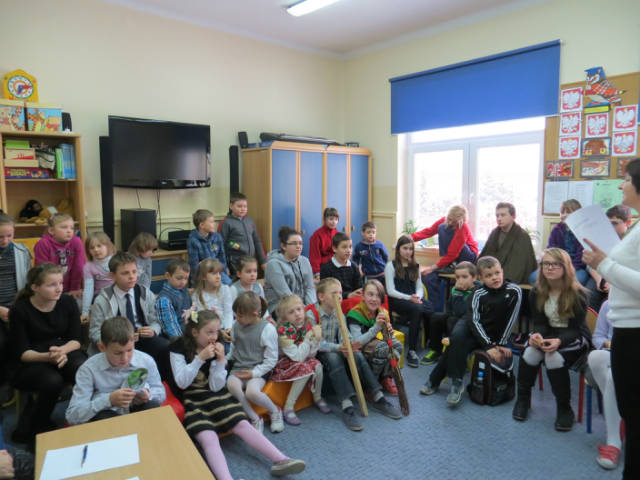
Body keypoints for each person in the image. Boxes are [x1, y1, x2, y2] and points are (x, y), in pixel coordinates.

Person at [169, 310, 306, 479]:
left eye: (216, 332)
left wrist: (220, 362)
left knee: (242, 423)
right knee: (208, 437)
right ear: (195, 332)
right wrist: (200, 359)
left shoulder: (216, 344)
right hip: (193, 399)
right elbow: (181, 382)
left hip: (216, 394)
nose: (214, 337)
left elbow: (215, 386)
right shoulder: (178, 347)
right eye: (209, 332)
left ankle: (281, 459)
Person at [582, 158, 640, 479]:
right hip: (627, 329)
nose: (621, 185)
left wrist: (603, 264)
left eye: (626, 179)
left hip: (634, 331)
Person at [420, 256, 521, 407]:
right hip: (472, 326)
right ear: (481, 278)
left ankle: (434, 380)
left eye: (497, 273)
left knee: (455, 345)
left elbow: (511, 319)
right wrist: (488, 345)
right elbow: (474, 321)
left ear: (502, 271)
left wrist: (500, 343)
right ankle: (457, 382)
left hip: (490, 334)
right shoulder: (478, 293)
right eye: (488, 275)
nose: (495, 278)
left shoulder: (514, 291)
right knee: (457, 338)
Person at [512, 248, 591, 431]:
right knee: (530, 352)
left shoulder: (579, 294)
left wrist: (559, 341)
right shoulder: (537, 291)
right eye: (546, 264)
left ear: (565, 267)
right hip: (550, 333)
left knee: (553, 357)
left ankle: (564, 409)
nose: (549, 268)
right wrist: (536, 335)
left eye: (555, 264)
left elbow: (575, 329)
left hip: (575, 336)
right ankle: (522, 400)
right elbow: (540, 323)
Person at [310, 278, 402, 431]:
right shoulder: (312, 314)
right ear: (321, 296)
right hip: (319, 352)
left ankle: (377, 395)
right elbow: (316, 344)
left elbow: (346, 336)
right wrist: (339, 347)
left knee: (357, 354)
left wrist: (348, 346)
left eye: (340, 293)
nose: (339, 297)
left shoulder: (339, 313)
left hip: (338, 347)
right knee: (333, 358)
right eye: (334, 293)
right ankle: (347, 406)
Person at [9, 263, 86, 444]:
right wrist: (47, 357)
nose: (59, 288)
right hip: (33, 358)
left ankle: (84, 417)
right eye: (52, 285)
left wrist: (62, 351)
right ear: (35, 287)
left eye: (60, 283)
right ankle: (38, 426)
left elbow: (76, 340)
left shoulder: (67, 302)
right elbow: (22, 353)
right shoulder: (20, 309)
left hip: (63, 350)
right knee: (52, 381)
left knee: (82, 369)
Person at [66, 316, 164, 424]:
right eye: (118, 353)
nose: (125, 358)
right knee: (102, 417)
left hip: (137, 409)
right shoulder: (88, 369)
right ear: (102, 347)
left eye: (129, 350)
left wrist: (148, 395)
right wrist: (108, 400)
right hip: (108, 417)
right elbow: (72, 416)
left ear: (134, 341)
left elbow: (160, 392)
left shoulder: (146, 361)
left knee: (152, 406)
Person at [88, 252, 169, 374]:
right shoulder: (103, 299)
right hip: (116, 343)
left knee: (164, 347)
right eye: (125, 273)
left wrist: (153, 330)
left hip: (142, 338)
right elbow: (95, 331)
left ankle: (159, 381)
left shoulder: (145, 293)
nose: (131, 276)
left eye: (134, 272)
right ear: (112, 276)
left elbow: (157, 320)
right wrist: (111, 340)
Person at [226, 292, 283, 434]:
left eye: (240, 316)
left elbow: (271, 360)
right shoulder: (236, 325)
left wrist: (253, 373)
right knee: (231, 385)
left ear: (255, 314)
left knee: (252, 393)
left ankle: (275, 411)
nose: (236, 318)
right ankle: (255, 418)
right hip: (239, 367)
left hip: (259, 369)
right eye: (236, 315)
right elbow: (233, 348)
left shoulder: (267, 329)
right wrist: (224, 359)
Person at [271, 294, 329, 425]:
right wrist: (308, 339)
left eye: (299, 309)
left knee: (317, 365)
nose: (297, 314)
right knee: (304, 368)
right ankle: (288, 407)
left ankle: (317, 397)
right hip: (284, 363)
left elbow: (311, 355)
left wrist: (316, 340)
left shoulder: (307, 324)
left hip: (301, 357)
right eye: (291, 312)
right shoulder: (284, 331)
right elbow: (297, 357)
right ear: (284, 317)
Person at [412, 205, 478, 311]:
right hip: (452, 257)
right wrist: (411, 238)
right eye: (449, 219)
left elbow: (452, 254)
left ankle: (452, 264)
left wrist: (433, 267)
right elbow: (429, 231)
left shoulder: (463, 227)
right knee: (442, 226)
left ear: (461, 221)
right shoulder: (445, 220)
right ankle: (434, 310)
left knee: (443, 228)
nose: (451, 223)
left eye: (454, 222)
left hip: (469, 257)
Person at [384, 235, 433, 368]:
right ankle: (412, 350)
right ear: (398, 249)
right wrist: (409, 298)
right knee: (418, 309)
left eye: (411, 249)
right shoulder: (391, 265)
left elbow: (419, 287)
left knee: (430, 307)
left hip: (413, 299)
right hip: (398, 300)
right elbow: (390, 291)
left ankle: (430, 341)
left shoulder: (415, 265)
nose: (408, 251)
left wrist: (417, 297)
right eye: (405, 248)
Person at [346, 279, 402, 395]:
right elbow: (357, 342)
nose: (374, 299)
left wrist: (390, 334)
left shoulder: (382, 312)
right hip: (359, 350)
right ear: (363, 296)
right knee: (382, 348)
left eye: (378, 296)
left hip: (374, 345)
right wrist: (377, 327)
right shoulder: (354, 314)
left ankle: (385, 378)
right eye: (370, 294)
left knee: (397, 346)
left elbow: (390, 340)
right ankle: (371, 384)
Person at [420, 261, 479, 366]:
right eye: (457, 277)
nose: (460, 280)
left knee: (453, 320)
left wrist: (460, 293)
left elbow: (465, 312)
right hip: (455, 318)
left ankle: (454, 354)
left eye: (464, 277)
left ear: (474, 278)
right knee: (436, 317)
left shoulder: (478, 292)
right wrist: (457, 292)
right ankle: (435, 350)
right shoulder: (455, 289)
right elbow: (449, 308)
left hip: (469, 323)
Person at [588, 301, 623, 470]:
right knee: (595, 357)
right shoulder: (609, 304)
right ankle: (620, 415)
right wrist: (609, 344)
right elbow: (597, 337)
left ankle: (613, 442)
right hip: (612, 354)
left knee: (612, 376)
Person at [0, 213, 31, 387]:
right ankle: (4, 383)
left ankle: (21, 381)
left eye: (9, 235)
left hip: (17, 307)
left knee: (22, 341)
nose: (5, 240)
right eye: (0, 237)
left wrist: (18, 308)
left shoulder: (22, 251)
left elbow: (27, 283)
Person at [586, 204, 632, 311]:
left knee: (615, 299)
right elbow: (590, 264)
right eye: (607, 224)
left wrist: (612, 283)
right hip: (600, 275)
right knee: (588, 295)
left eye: (614, 223)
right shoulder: (601, 237)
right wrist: (599, 280)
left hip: (621, 278)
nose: (610, 227)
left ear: (628, 223)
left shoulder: (632, 241)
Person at [530, 199, 588, 285]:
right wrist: (556, 268)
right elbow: (551, 252)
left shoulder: (584, 231)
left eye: (568, 212)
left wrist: (566, 270)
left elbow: (581, 258)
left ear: (577, 214)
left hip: (577, 268)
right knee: (533, 277)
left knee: (576, 281)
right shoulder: (556, 229)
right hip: (556, 266)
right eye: (562, 212)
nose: (564, 215)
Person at [479, 202, 537, 284]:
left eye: (503, 215)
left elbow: (519, 266)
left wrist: (499, 279)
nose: (499, 218)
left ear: (513, 216)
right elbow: (486, 256)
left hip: (511, 279)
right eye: (497, 216)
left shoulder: (522, 236)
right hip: (493, 276)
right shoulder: (494, 233)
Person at [264, 226, 316, 316]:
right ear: (283, 246)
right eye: (294, 243)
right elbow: (285, 294)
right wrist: (303, 311)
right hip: (281, 308)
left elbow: (310, 288)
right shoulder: (273, 264)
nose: (298, 246)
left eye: (300, 243)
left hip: (303, 308)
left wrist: (311, 309)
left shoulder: (305, 261)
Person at [34, 213, 85, 298]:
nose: (69, 231)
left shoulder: (76, 242)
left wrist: (75, 288)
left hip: (71, 289)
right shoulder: (43, 244)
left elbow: (79, 267)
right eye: (64, 227)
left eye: (72, 228)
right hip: (49, 289)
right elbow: (42, 271)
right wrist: (52, 290)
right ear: (51, 230)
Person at [218, 192, 267, 278]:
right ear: (231, 206)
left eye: (245, 206)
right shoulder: (226, 222)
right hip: (235, 263)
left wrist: (263, 261)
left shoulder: (250, 221)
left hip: (251, 261)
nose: (243, 209)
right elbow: (221, 245)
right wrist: (224, 266)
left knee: (250, 282)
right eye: (239, 206)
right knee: (238, 283)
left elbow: (257, 241)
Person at [192, 259, 233, 347]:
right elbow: (195, 316)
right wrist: (219, 332)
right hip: (207, 330)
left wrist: (228, 328)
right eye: (214, 274)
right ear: (203, 277)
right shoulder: (197, 295)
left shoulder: (225, 289)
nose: (218, 277)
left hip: (224, 326)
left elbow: (228, 312)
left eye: (219, 273)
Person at [188, 209, 231, 286]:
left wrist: (223, 272)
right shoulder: (193, 241)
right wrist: (196, 283)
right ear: (202, 225)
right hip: (204, 276)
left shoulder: (217, 237)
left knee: (230, 286)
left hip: (218, 272)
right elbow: (194, 265)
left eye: (214, 221)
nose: (214, 224)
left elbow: (222, 257)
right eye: (211, 222)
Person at [81, 232, 115, 321]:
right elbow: (88, 289)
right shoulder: (88, 267)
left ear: (108, 246)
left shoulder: (117, 261)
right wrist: (85, 312)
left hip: (118, 293)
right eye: (92, 248)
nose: (96, 250)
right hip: (100, 296)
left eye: (99, 246)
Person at [155, 259, 193, 339]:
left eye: (186, 278)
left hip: (191, 332)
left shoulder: (184, 290)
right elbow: (171, 328)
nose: (183, 282)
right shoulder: (164, 299)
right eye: (179, 278)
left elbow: (192, 311)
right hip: (179, 339)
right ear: (168, 275)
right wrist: (184, 342)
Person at [319, 232, 363, 299]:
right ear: (334, 248)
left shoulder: (354, 267)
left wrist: (358, 292)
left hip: (353, 300)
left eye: (350, 247)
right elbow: (327, 292)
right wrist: (348, 295)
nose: (348, 250)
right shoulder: (326, 268)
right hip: (335, 302)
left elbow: (359, 287)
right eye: (344, 247)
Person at [309, 207, 339, 278]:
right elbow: (314, 256)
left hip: (337, 266)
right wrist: (317, 272)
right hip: (323, 268)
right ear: (324, 220)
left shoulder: (338, 234)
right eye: (331, 219)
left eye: (336, 219)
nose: (334, 222)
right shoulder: (317, 235)